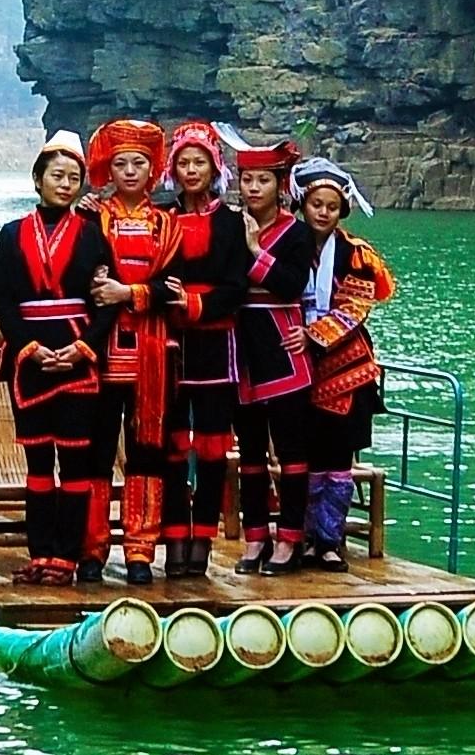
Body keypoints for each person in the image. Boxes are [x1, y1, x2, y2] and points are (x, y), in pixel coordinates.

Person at [0, 137, 109, 584]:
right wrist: (28, 347)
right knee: (38, 462)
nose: (66, 184)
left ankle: (67, 558)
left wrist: (83, 348)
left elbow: (106, 302)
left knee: (75, 463)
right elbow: (2, 297)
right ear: (37, 180)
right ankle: (39, 553)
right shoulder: (11, 234)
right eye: (57, 176)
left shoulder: (94, 235)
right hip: (30, 356)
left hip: (78, 353)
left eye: (74, 178)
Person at [276, 163, 397, 570]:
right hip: (297, 365)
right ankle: (305, 537)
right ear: (302, 205)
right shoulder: (287, 245)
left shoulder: (356, 255)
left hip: (346, 370)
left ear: (340, 210)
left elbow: (356, 306)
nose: (323, 213)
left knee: (339, 459)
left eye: (331, 206)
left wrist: (313, 336)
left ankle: (330, 540)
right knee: (305, 457)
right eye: (315, 204)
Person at [146, 123, 251, 580]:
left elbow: (237, 286)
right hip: (167, 343)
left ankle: (202, 539)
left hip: (214, 339)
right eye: (183, 163)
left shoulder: (230, 222)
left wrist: (194, 302)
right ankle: (172, 540)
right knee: (170, 445)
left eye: (199, 163)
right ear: (173, 169)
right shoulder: (158, 217)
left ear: (214, 169)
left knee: (210, 446)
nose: (191, 171)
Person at [79, 120, 176, 585]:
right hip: (100, 349)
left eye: (139, 162)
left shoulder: (167, 223)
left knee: (146, 451)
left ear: (152, 169)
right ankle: (92, 550)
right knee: (96, 450)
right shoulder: (90, 217)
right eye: (121, 163)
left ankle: (140, 550)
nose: (130, 170)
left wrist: (127, 293)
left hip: (152, 351)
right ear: (108, 168)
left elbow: (172, 287)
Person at [225, 137, 313, 572]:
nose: (254, 187)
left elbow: (292, 286)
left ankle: (290, 538)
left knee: (293, 451)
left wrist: (256, 250)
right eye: (247, 179)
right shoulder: (227, 225)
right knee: (251, 453)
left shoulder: (295, 232)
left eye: (263, 179)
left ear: (280, 185)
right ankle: (255, 537)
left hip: (282, 346)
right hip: (240, 347)